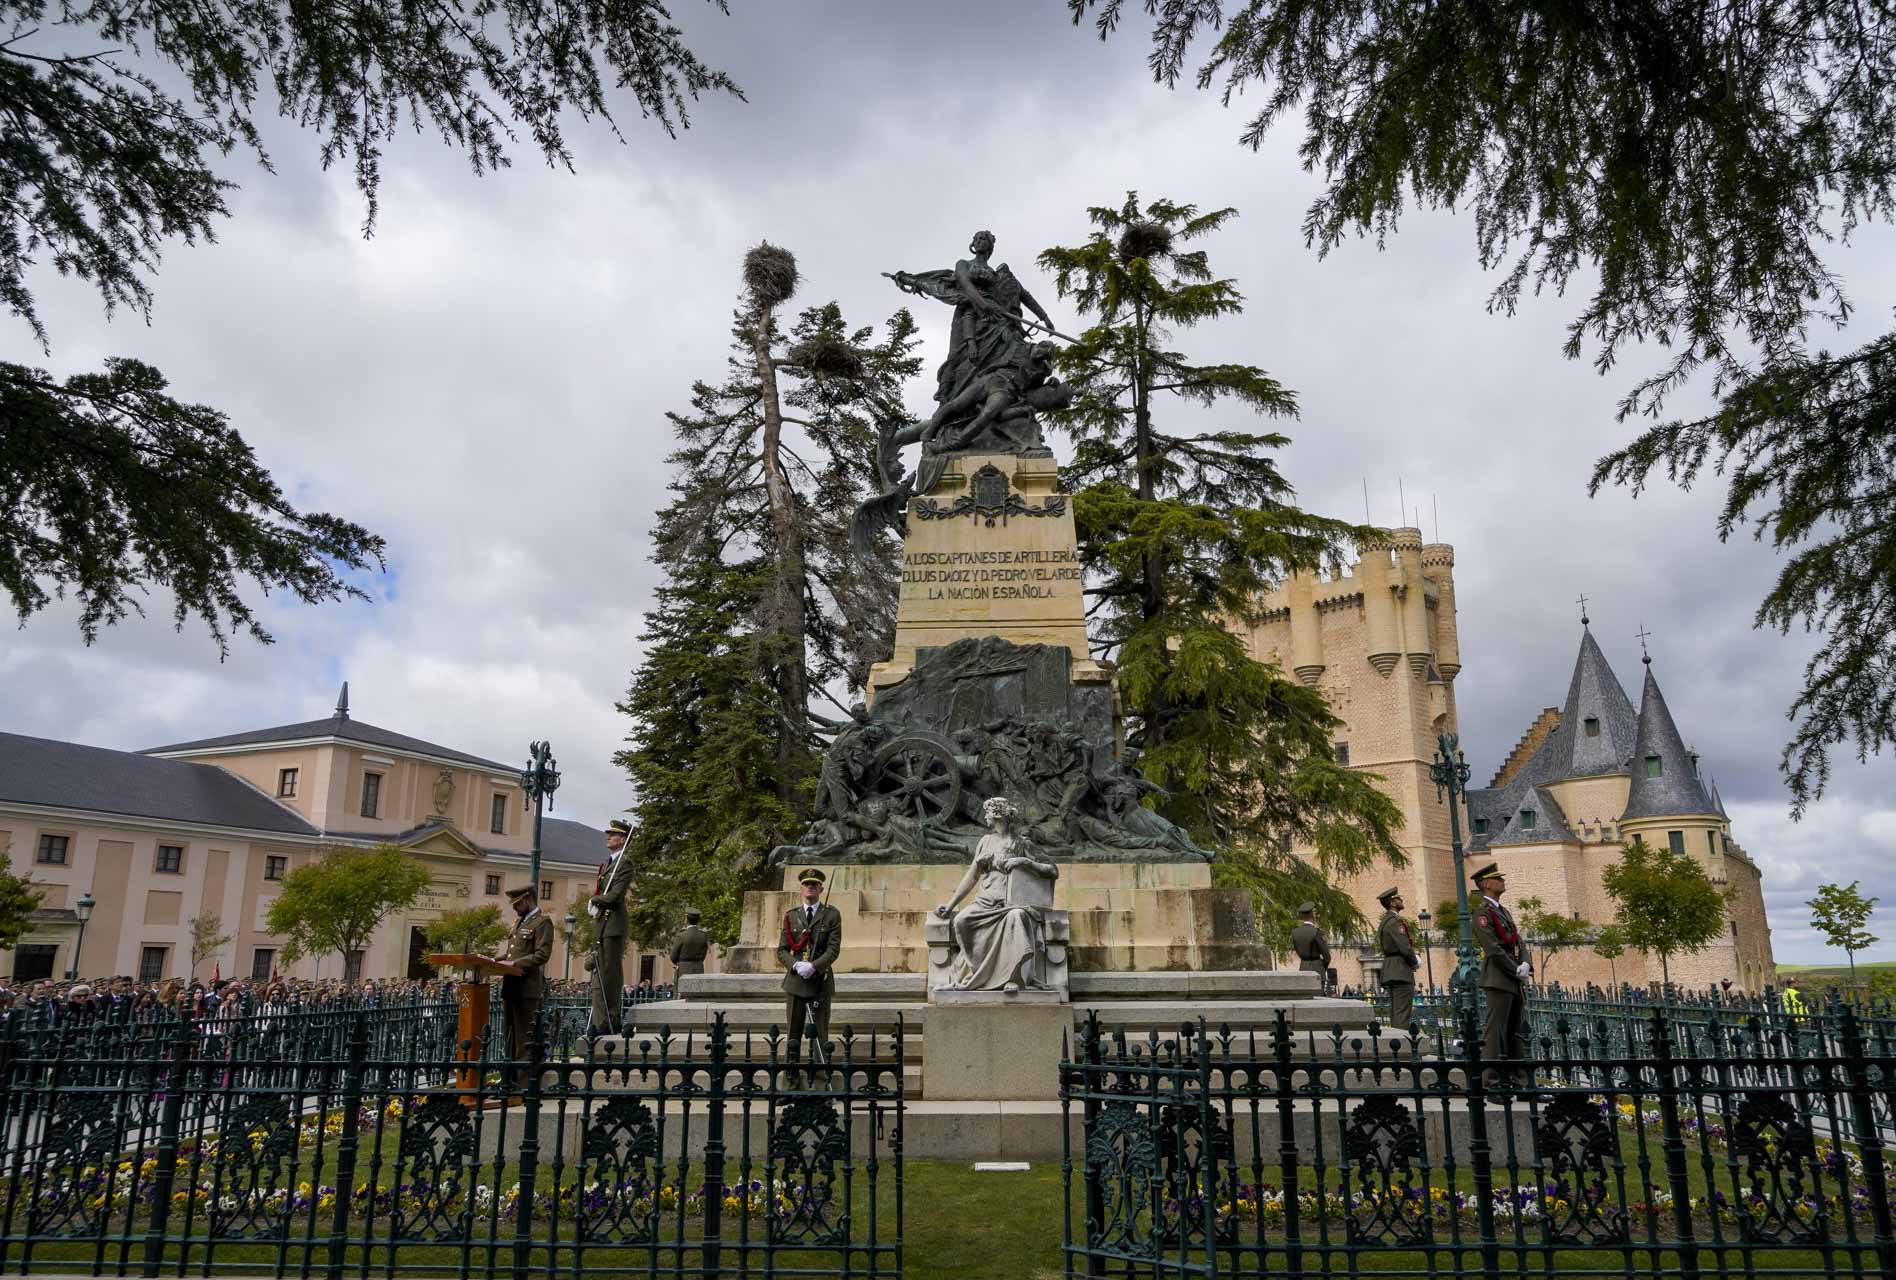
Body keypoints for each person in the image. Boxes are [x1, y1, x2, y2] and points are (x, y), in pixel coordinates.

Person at [934, 797, 1061, 990]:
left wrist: (1025, 862)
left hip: (1011, 904)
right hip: (985, 902)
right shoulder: (985, 841)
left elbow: (1053, 871)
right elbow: (972, 876)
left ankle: (1013, 978)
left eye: (988, 813)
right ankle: (979, 975)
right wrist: (950, 905)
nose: (985, 817)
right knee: (961, 920)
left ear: (997, 816)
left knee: (1016, 917)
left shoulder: (1021, 843)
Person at [1470, 863, 1530, 1089]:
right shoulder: (1482, 913)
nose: (1502, 882)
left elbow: (1518, 940)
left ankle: (1518, 1078)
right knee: (1495, 1031)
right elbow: (1493, 948)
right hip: (1498, 977)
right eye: (1497, 879)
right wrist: (1515, 968)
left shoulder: (1503, 911)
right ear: (1486, 884)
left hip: (1513, 976)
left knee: (1515, 1030)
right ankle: (1491, 1080)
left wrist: (1526, 962)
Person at [491, 885, 553, 1089]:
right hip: (511, 987)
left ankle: (525, 1085)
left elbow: (542, 955)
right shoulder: (519, 923)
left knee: (525, 1039)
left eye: (518, 904)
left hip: (527, 988)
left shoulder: (542, 922)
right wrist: (493, 961)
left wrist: (514, 964)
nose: (515, 908)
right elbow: (512, 953)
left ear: (528, 900)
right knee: (510, 1037)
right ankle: (509, 1080)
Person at [778, 868, 842, 1066]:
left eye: (814, 884)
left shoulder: (831, 915)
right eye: (806, 884)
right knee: (793, 1035)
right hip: (796, 982)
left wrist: (814, 966)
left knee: (820, 1033)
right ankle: (791, 1077)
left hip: (820, 982)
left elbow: (833, 949)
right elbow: (782, 950)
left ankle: (821, 1077)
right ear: (801, 888)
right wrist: (796, 964)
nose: (810, 887)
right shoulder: (791, 916)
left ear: (821, 889)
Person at [588, 818, 636, 1037]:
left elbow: (616, 895)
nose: (608, 837)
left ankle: (611, 1018)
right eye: (608, 834)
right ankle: (602, 1019)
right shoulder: (608, 863)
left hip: (614, 923)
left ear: (623, 839)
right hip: (602, 923)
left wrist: (595, 900)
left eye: (613, 834)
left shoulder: (624, 863)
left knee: (610, 973)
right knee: (600, 971)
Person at [1376, 887, 1419, 1034]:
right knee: (1402, 1013)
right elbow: (1404, 947)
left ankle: (1396, 1041)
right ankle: (1402, 1043)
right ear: (1393, 903)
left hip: (1391, 968)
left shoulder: (1385, 921)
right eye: (1398, 898)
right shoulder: (1395, 922)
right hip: (1400, 970)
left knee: (1396, 1011)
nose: (1401, 900)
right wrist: (1414, 962)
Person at [1291, 903, 1332, 992]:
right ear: (1313, 915)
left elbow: (1298, 950)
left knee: (1305, 996)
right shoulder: (1316, 932)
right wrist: (1322, 967)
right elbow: (1327, 956)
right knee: (1318, 998)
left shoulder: (1295, 932)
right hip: (1317, 969)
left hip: (1303, 968)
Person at [670, 907, 711, 982]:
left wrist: (681, 963)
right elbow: (703, 955)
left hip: (683, 970)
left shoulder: (681, 935)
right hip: (699, 969)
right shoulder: (704, 935)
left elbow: (673, 957)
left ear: (686, 919)